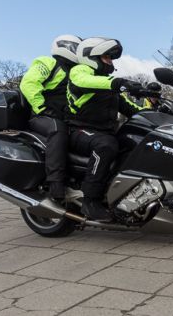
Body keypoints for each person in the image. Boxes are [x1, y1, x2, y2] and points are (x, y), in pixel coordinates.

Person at [66, 37, 146, 221]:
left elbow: (131, 108)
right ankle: (90, 200)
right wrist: (118, 83)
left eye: (111, 57)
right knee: (106, 145)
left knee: (135, 141)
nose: (110, 61)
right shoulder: (79, 71)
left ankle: (122, 193)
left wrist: (159, 112)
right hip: (79, 130)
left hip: (103, 131)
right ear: (91, 57)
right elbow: (82, 81)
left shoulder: (106, 82)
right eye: (106, 57)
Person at [19, 35, 82, 202]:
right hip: (43, 117)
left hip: (65, 118)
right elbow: (29, 83)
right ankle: (56, 185)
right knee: (57, 129)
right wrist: (42, 108)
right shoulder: (48, 63)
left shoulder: (77, 71)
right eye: (76, 48)